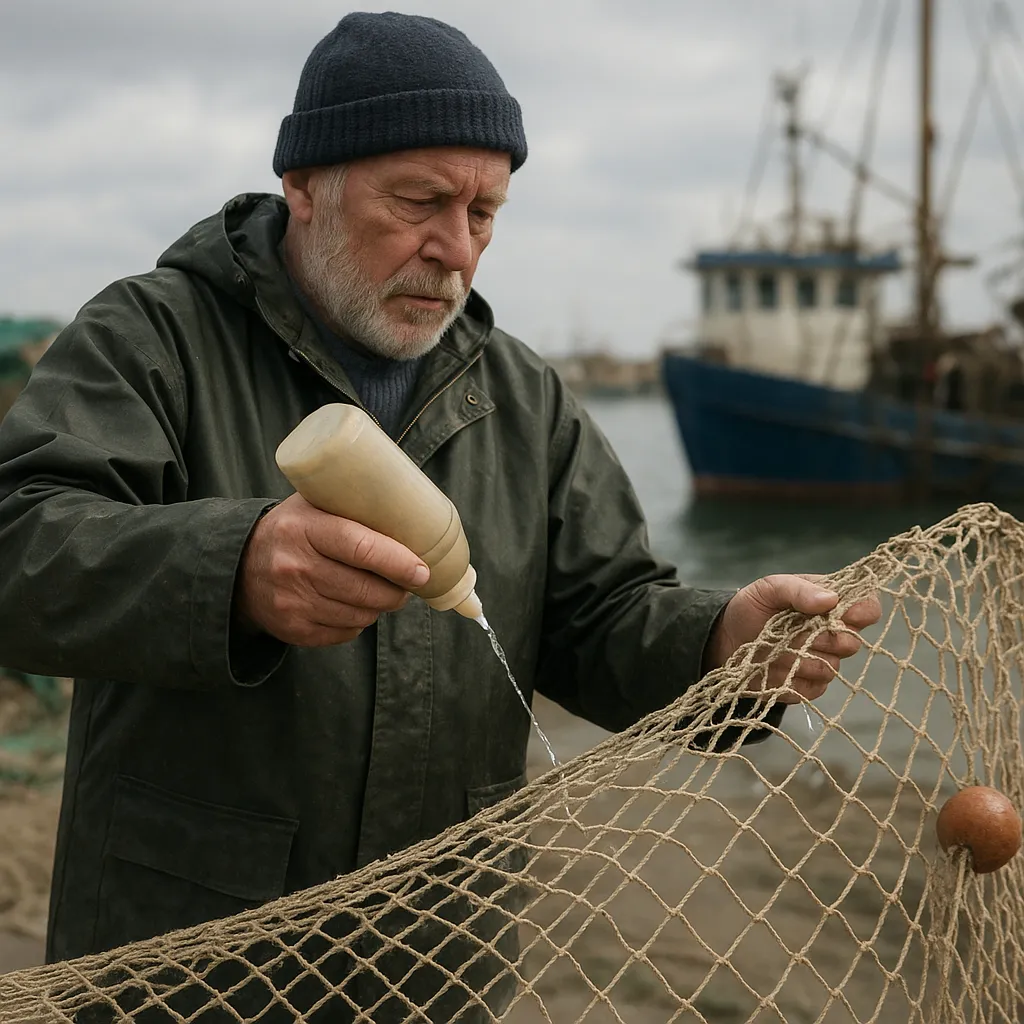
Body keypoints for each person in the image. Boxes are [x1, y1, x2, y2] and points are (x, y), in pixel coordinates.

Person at [0, 11, 879, 1019]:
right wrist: (232, 567)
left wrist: (719, 642)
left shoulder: (522, 396)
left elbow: (599, 613)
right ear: (304, 184)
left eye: (486, 213)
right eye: (419, 201)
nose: (455, 250)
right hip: (184, 964)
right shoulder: (151, 337)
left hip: (439, 965)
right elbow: (19, 539)